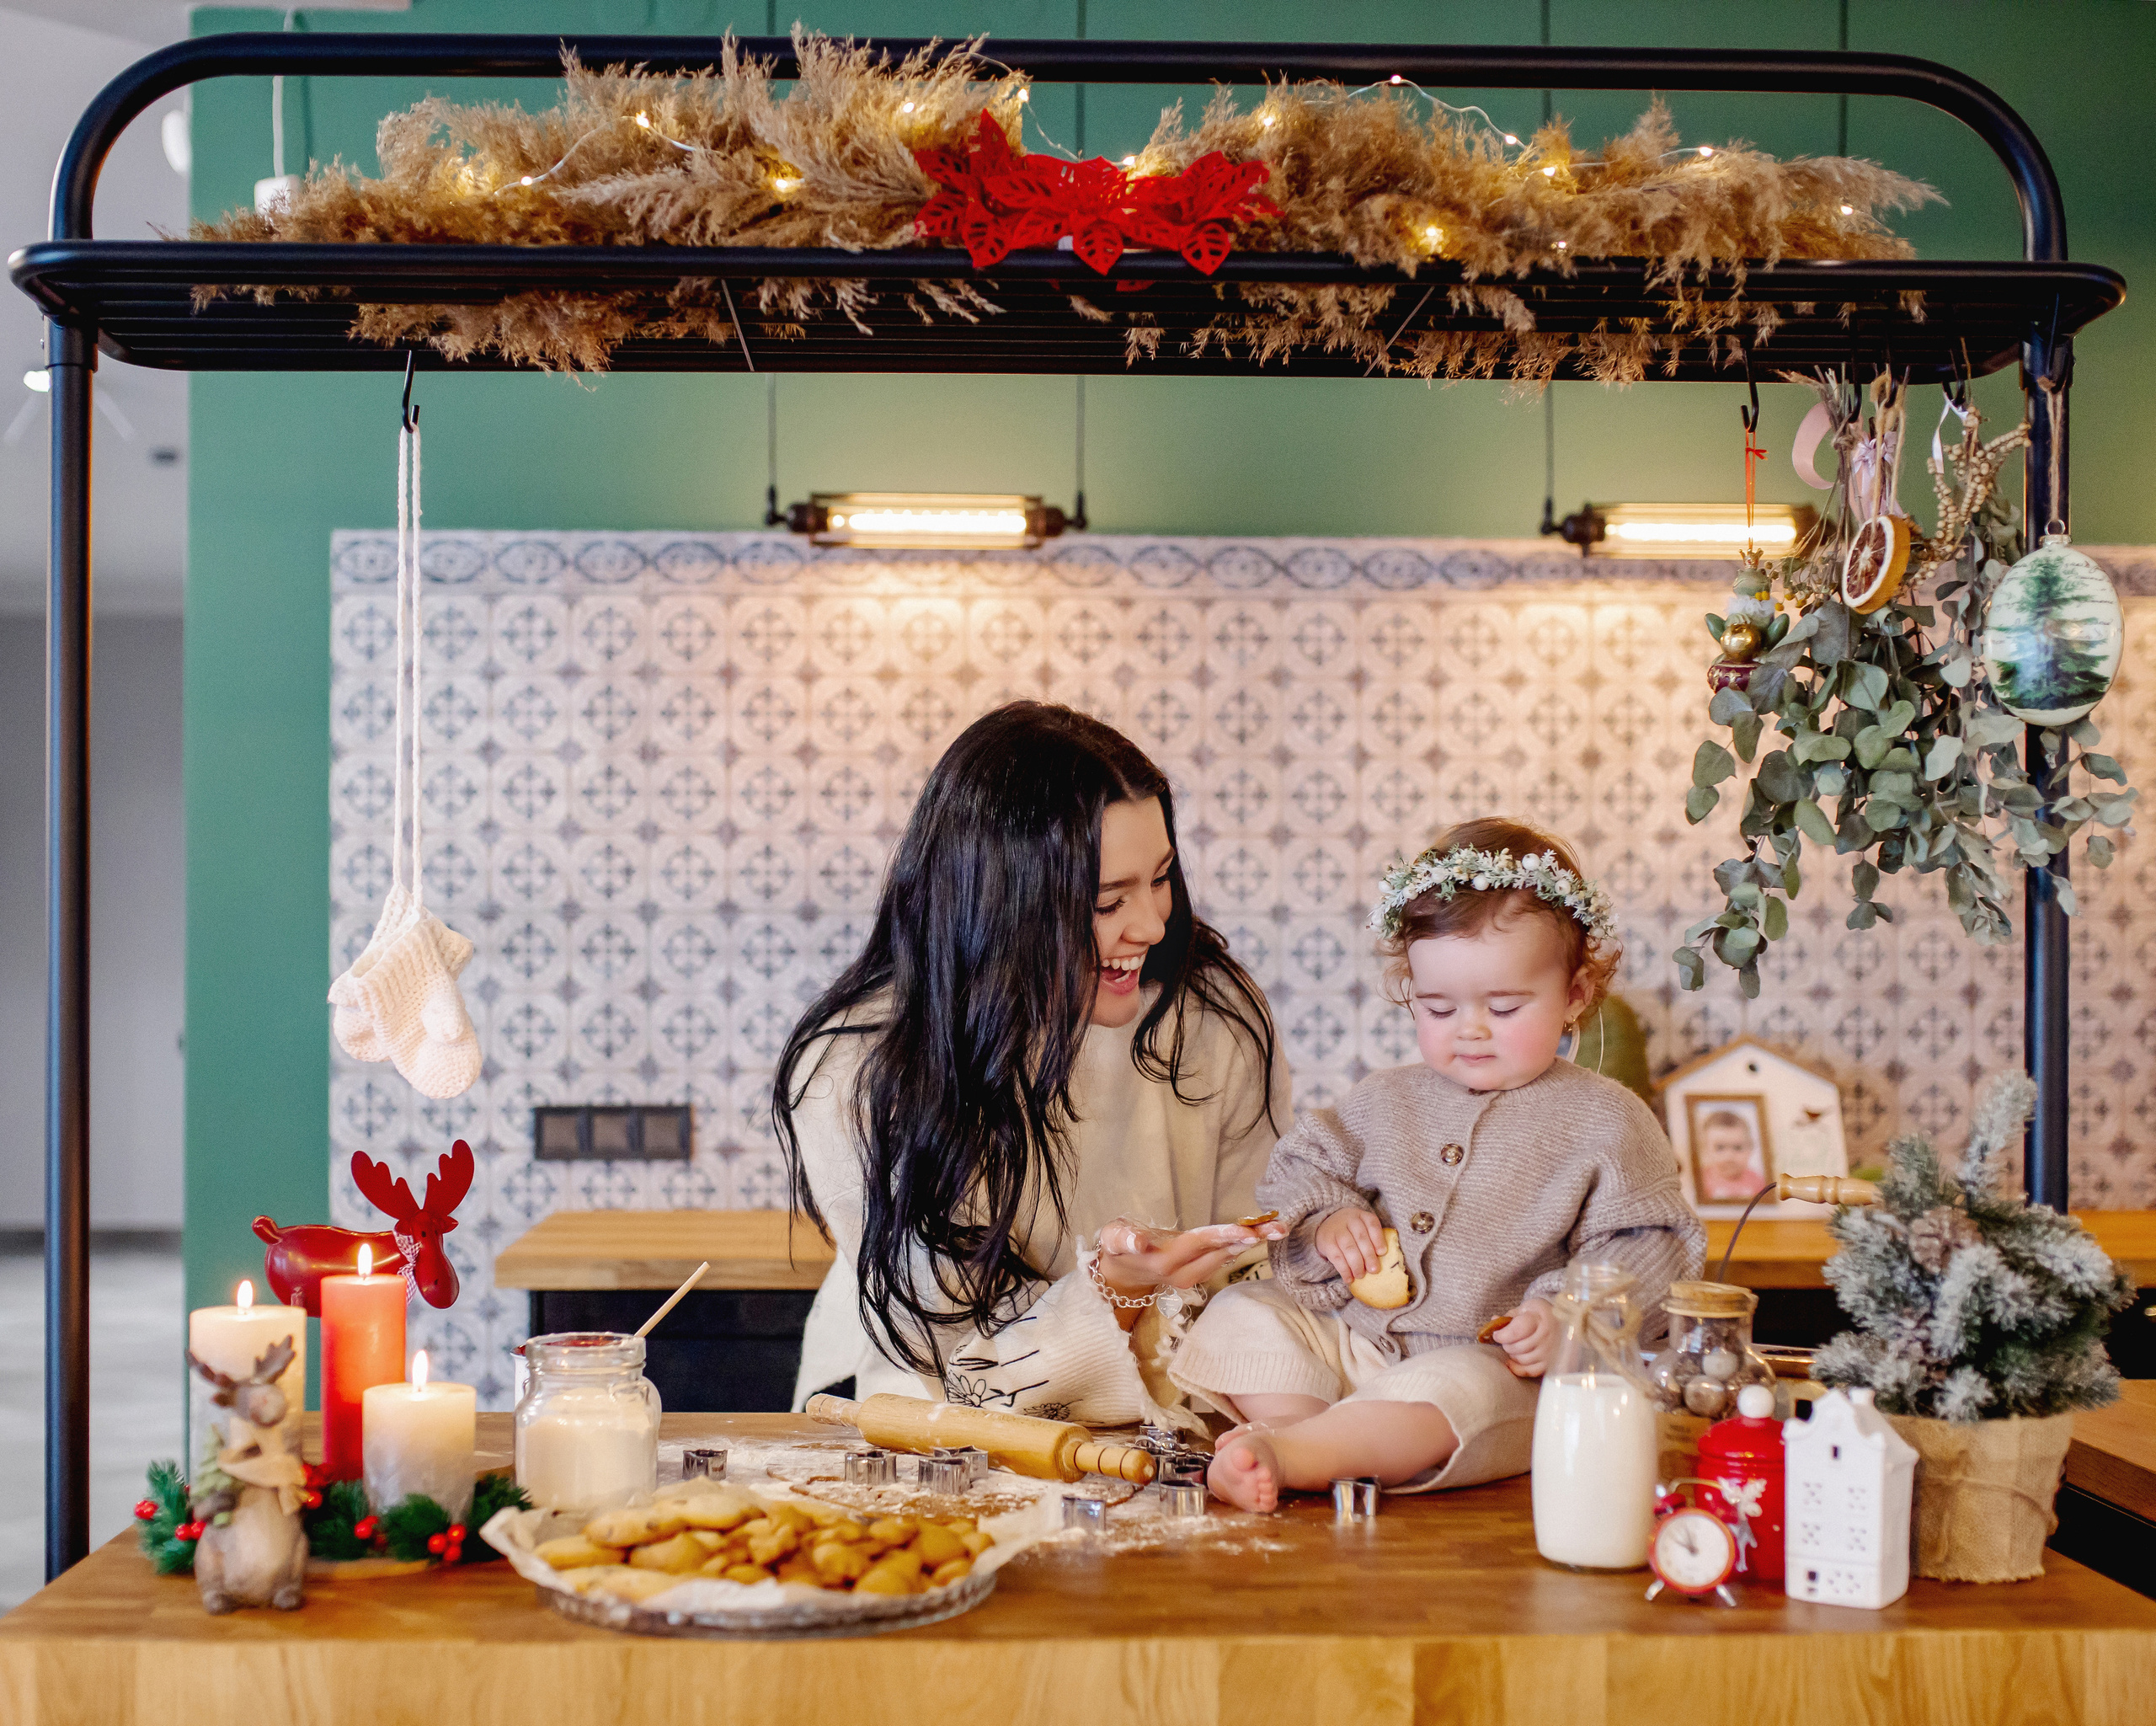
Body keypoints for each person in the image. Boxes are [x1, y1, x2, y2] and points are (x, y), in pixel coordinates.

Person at [775, 702, 1288, 1428]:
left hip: (1177, 1420)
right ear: (1001, 902)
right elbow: (956, 1361)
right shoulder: (856, 1067)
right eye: (1108, 901)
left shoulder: (1213, 1016)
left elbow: (1256, 1271)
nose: (1151, 924)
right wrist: (1115, 1292)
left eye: (1161, 876)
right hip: (919, 1421)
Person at [1172, 817, 1705, 1510]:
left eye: (1504, 1006)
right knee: (1242, 1311)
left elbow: (1646, 1247)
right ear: (1410, 989)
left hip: (1495, 1369)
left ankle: (1297, 1451)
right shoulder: (1383, 1099)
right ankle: (1305, 1435)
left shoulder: (1607, 1119)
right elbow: (1298, 1168)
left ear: (1575, 993)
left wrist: (1567, 1317)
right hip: (1358, 1347)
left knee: (1467, 1392)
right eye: (1438, 1006)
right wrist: (1329, 1219)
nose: (1470, 1028)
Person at [1694, 1109, 1769, 1201]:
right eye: (1720, 1148)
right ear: (1705, 1149)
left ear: (1750, 1148)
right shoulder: (1701, 1181)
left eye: (1737, 1148)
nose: (1729, 1157)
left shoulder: (1758, 1182)